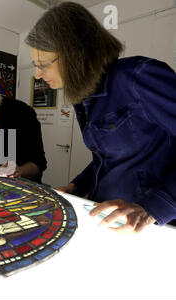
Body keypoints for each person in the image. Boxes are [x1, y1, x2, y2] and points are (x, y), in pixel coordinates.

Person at [25, 1, 176, 232]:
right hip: (107, 215)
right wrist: (76, 185)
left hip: (152, 226)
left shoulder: (137, 77)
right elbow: (105, 158)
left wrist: (153, 208)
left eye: (43, 64)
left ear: (76, 54)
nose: (37, 74)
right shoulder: (84, 97)